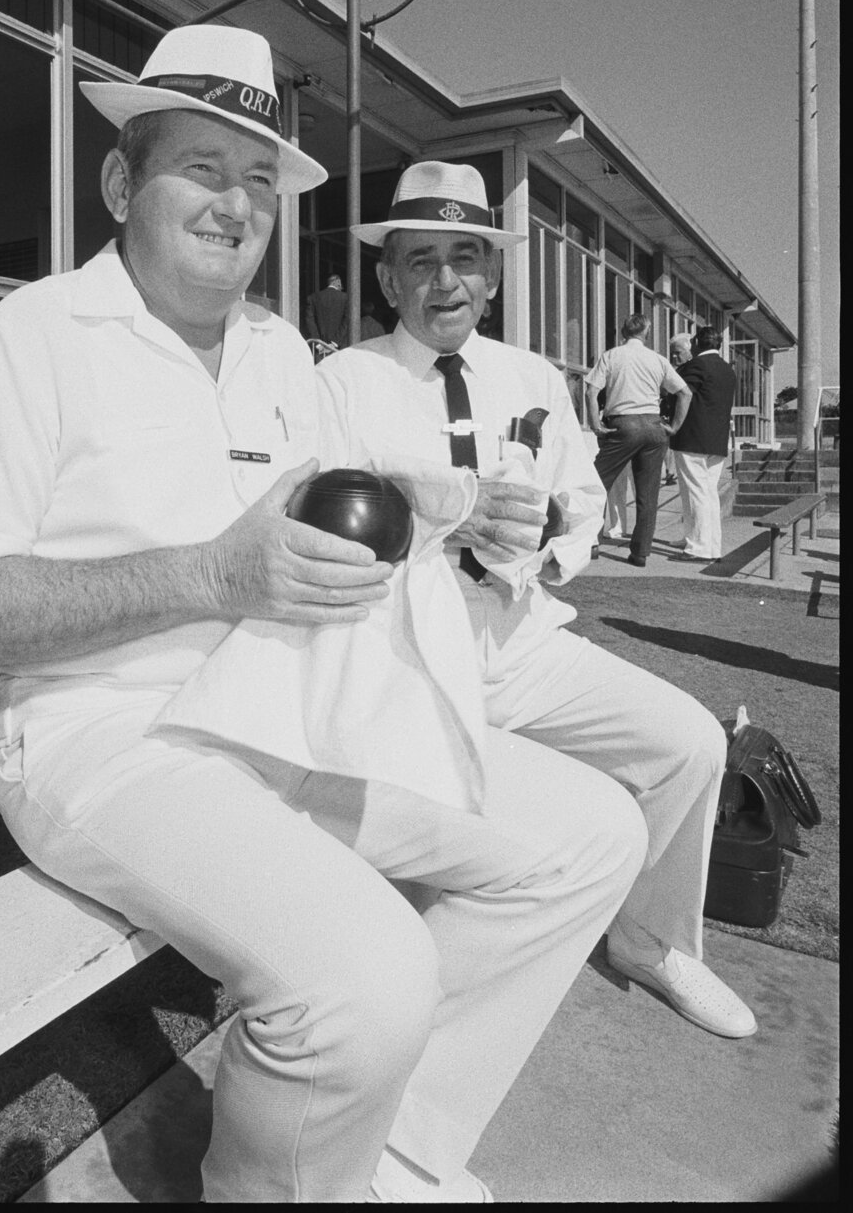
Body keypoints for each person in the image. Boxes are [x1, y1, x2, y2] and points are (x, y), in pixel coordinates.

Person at [0, 28, 647, 1205]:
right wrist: (205, 578)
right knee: (365, 974)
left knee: (592, 832)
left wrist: (460, 520)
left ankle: (392, 1140)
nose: (237, 202)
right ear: (120, 184)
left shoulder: (278, 354)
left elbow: (339, 509)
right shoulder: (35, 336)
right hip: (107, 734)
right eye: (202, 167)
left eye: (260, 179)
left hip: (280, 706)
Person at [317, 160, 757, 1056]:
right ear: (387, 274)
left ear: (494, 274)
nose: (446, 280)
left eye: (466, 257)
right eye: (422, 257)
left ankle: (647, 938)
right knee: (485, 830)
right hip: (405, 653)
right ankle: (394, 1016)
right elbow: (333, 521)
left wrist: (552, 536)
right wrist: (447, 515)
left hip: (520, 637)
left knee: (690, 742)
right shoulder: (341, 383)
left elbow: (582, 507)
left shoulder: (534, 377)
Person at [585, 314, 693, 567]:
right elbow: (685, 392)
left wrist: (595, 424)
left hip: (623, 424)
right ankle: (640, 552)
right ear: (647, 331)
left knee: (595, 485)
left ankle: (590, 541)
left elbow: (592, 391)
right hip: (654, 426)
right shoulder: (657, 359)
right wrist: (674, 426)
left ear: (623, 331)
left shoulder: (611, 356)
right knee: (647, 494)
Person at [669, 327, 737, 560]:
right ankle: (706, 542)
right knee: (707, 493)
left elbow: (682, 395)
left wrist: (674, 425)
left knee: (696, 493)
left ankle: (699, 547)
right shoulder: (727, 369)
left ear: (697, 342)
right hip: (716, 441)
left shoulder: (696, 366)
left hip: (692, 438)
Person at [663, 333, 694, 484]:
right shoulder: (674, 370)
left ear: (690, 351)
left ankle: (671, 472)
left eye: (678, 353)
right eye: (672, 354)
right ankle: (670, 472)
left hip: (689, 430)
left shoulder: (692, 371)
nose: (674, 357)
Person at [304, 271, 348, 348]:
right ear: (337, 282)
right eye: (340, 285)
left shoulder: (312, 298)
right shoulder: (345, 298)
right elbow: (347, 320)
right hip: (339, 348)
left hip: (318, 348)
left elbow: (309, 321)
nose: (341, 288)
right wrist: (335, 342)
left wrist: (318, 343)